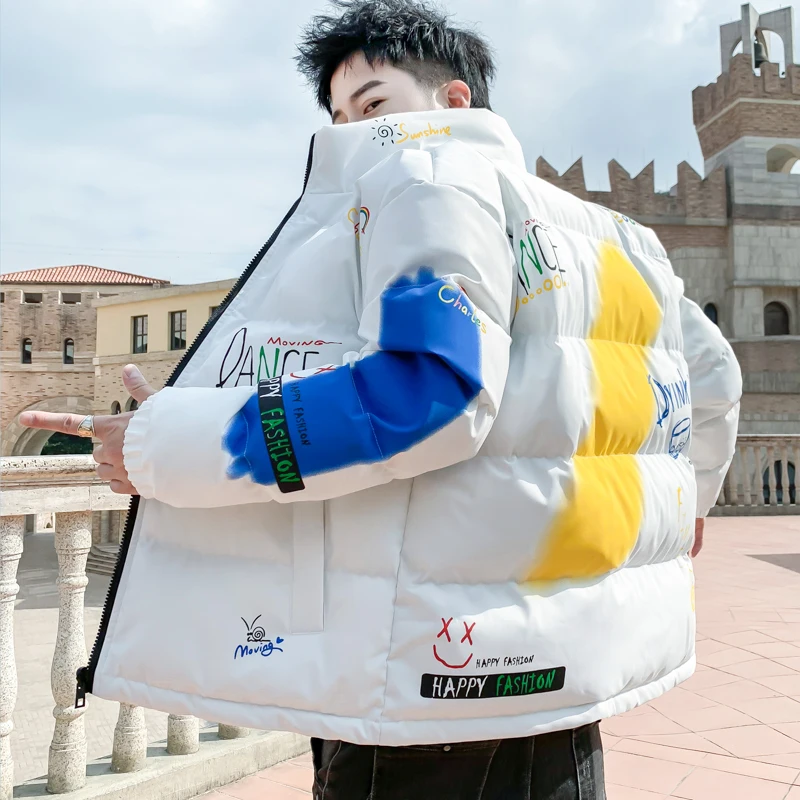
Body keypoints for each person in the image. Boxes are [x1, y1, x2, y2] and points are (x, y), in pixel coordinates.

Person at [21, 1, 742, 798]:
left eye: (372, 106)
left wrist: (162, 444)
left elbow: (427, 393)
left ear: (453, 101)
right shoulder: (616, 237)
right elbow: (713, 377)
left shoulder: (426, 173)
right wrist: (688, 506)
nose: (352, 136)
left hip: (423, 687)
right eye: (337, 118)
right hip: (560, 674)